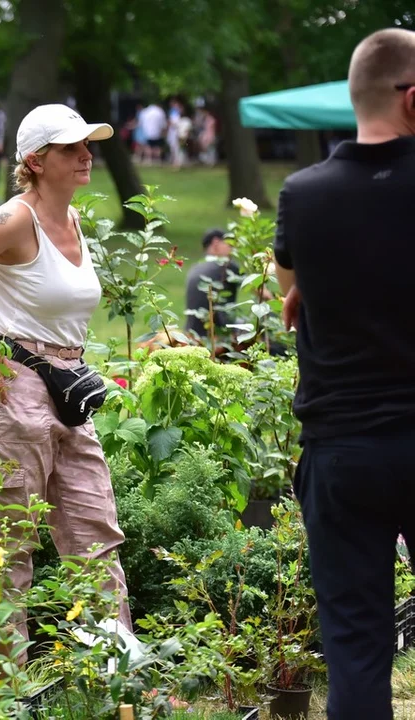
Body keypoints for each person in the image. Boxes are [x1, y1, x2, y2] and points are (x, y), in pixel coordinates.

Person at [0, 103, 133, 654]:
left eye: (88, 145)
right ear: (35, 161)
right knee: (8, 539)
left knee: (96, 531)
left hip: (67, 384)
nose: (87, 155)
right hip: (14, 382)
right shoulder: (17, 218)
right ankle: (0, 686)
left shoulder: (73, 219)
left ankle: (118, 674)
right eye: (70, 148)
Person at [274, 27, 415, 719]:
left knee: (357, 649)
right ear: (413, 99)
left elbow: (289, 287)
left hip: (343, 453)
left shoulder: (304, 195)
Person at [184, 229, 239, 347]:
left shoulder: (195, 268)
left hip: (192, 334)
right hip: (219, 337)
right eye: (229, 244)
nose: (233, 249)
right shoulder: (227, 265)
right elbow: (259, 290)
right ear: (216, 243)